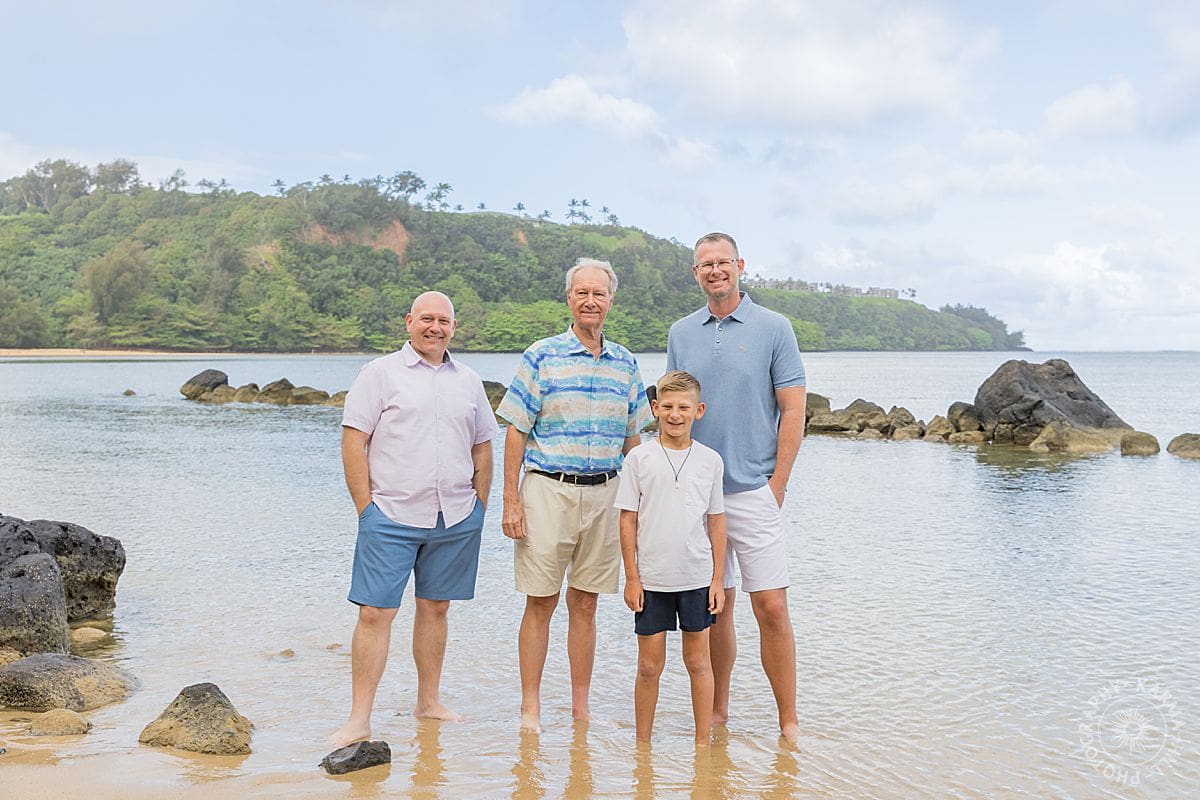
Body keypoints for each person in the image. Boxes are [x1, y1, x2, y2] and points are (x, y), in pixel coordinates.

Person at [329, 291, 498, 748]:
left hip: (456, 515)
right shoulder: (379, 373)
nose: (435, 327)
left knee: (436, 609)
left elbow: (483, 443)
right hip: (391, 512)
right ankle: (359, 718)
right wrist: (366, 508)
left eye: (444, 320)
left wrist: (481, 504)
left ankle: (428, 702)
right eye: (427, 319)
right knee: (375, 612)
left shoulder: (469, 380)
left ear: (454, 327)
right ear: (409, 322)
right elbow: (354, 441)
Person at [497, 257, 652, 732]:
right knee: (540, 600)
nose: (590, 301)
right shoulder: (541, 355)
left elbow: (633, 440)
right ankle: (530, 707)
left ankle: (580, 708)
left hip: (606, 493)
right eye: (582, 292)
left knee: (585, 604)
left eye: (599, 293)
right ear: (569, 298)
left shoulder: (626, 362)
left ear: (610, 300)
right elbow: (516, 432)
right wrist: (510, 501)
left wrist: (641, 501)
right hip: (547, 491)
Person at [665, 232, 807, 745]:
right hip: (698, 497)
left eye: (723, 262)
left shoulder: (775, 328)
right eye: (705, 264)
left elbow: (793, 409)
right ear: (696, 272)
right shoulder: (682, 332)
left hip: (753, 492)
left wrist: (778, 485)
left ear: (740, 266)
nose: (715, 271)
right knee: (714, 607)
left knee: (770, 606)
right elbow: (673, 412)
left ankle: (788, 721)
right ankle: (718, 710)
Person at [615, 370, 727, 746]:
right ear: (655, 408)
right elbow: (627, 519)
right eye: (667, 407)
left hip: (696, 577)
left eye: (683, 407)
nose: (674, 414)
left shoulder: (711, 461)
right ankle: (642, 746)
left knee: (698, 663)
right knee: (649, 666)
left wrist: (717, 579)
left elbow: (716, 521)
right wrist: (632, 577)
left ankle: (701, 745)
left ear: (699, 410)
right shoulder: (639, 459)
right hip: (651, 579)